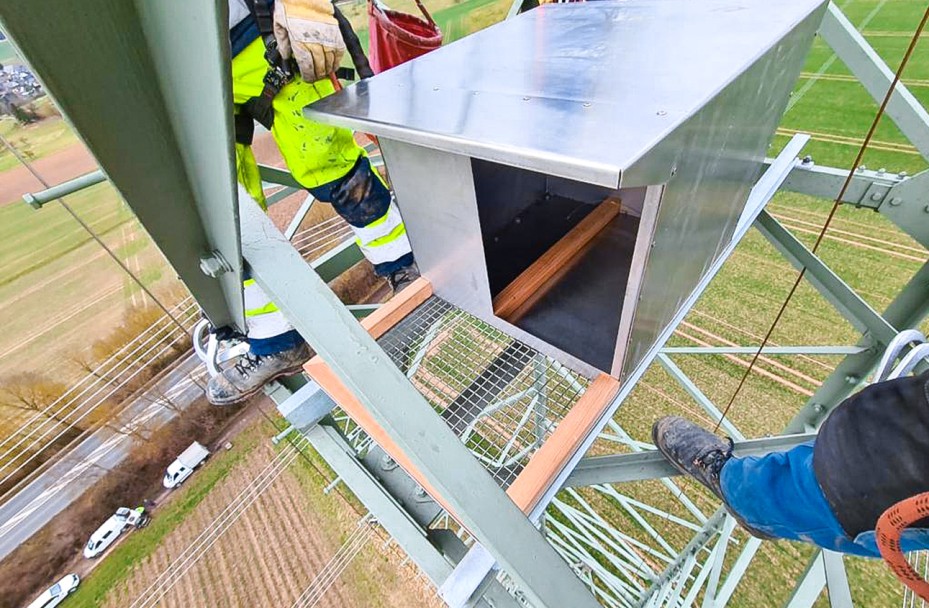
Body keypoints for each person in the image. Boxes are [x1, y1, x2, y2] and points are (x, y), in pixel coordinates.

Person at [207, 0, 419, 407]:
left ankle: (405, 264)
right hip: (188, 72)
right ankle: (275, 340)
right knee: (228, 218)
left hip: (261, 32)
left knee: (333, 165)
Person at [652, 370, 929, 557]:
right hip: (891, 420)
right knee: (845, 448)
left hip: (879, 489)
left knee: (820, 485)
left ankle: (738, 489)